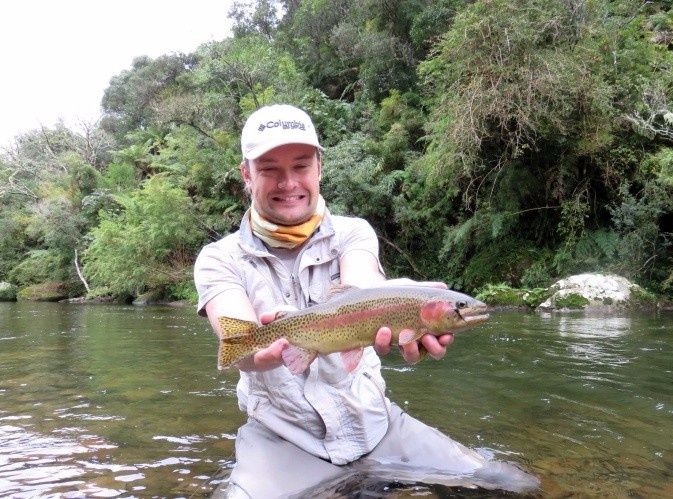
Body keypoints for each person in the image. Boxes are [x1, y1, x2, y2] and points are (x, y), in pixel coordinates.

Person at [193, 104, 539, 498]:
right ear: (246, 175)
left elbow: (362, 285)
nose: (288, 182)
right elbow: (240, 349)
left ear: (319, 168)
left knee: (511, 485)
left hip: (375, 426)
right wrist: (281, 342)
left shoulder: (353, 233)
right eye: (270, 169)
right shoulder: (218, 259)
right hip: (284, 440)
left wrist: (397, 300)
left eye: (301, 166)